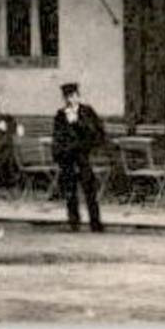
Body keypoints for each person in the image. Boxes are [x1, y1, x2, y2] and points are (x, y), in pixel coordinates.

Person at [51, 82, 106, 232]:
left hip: (84, 156)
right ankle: (74, 221)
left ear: (78, 96)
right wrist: (59, 154)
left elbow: (96, 132)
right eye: (67, 97)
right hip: (68, 158)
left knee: (89, 190)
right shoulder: (60, 115)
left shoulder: (87, 112)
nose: (70, 100)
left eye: (73, 96)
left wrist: (77, 123)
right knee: (70, 191)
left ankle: (95, 222)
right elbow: (57, 137)